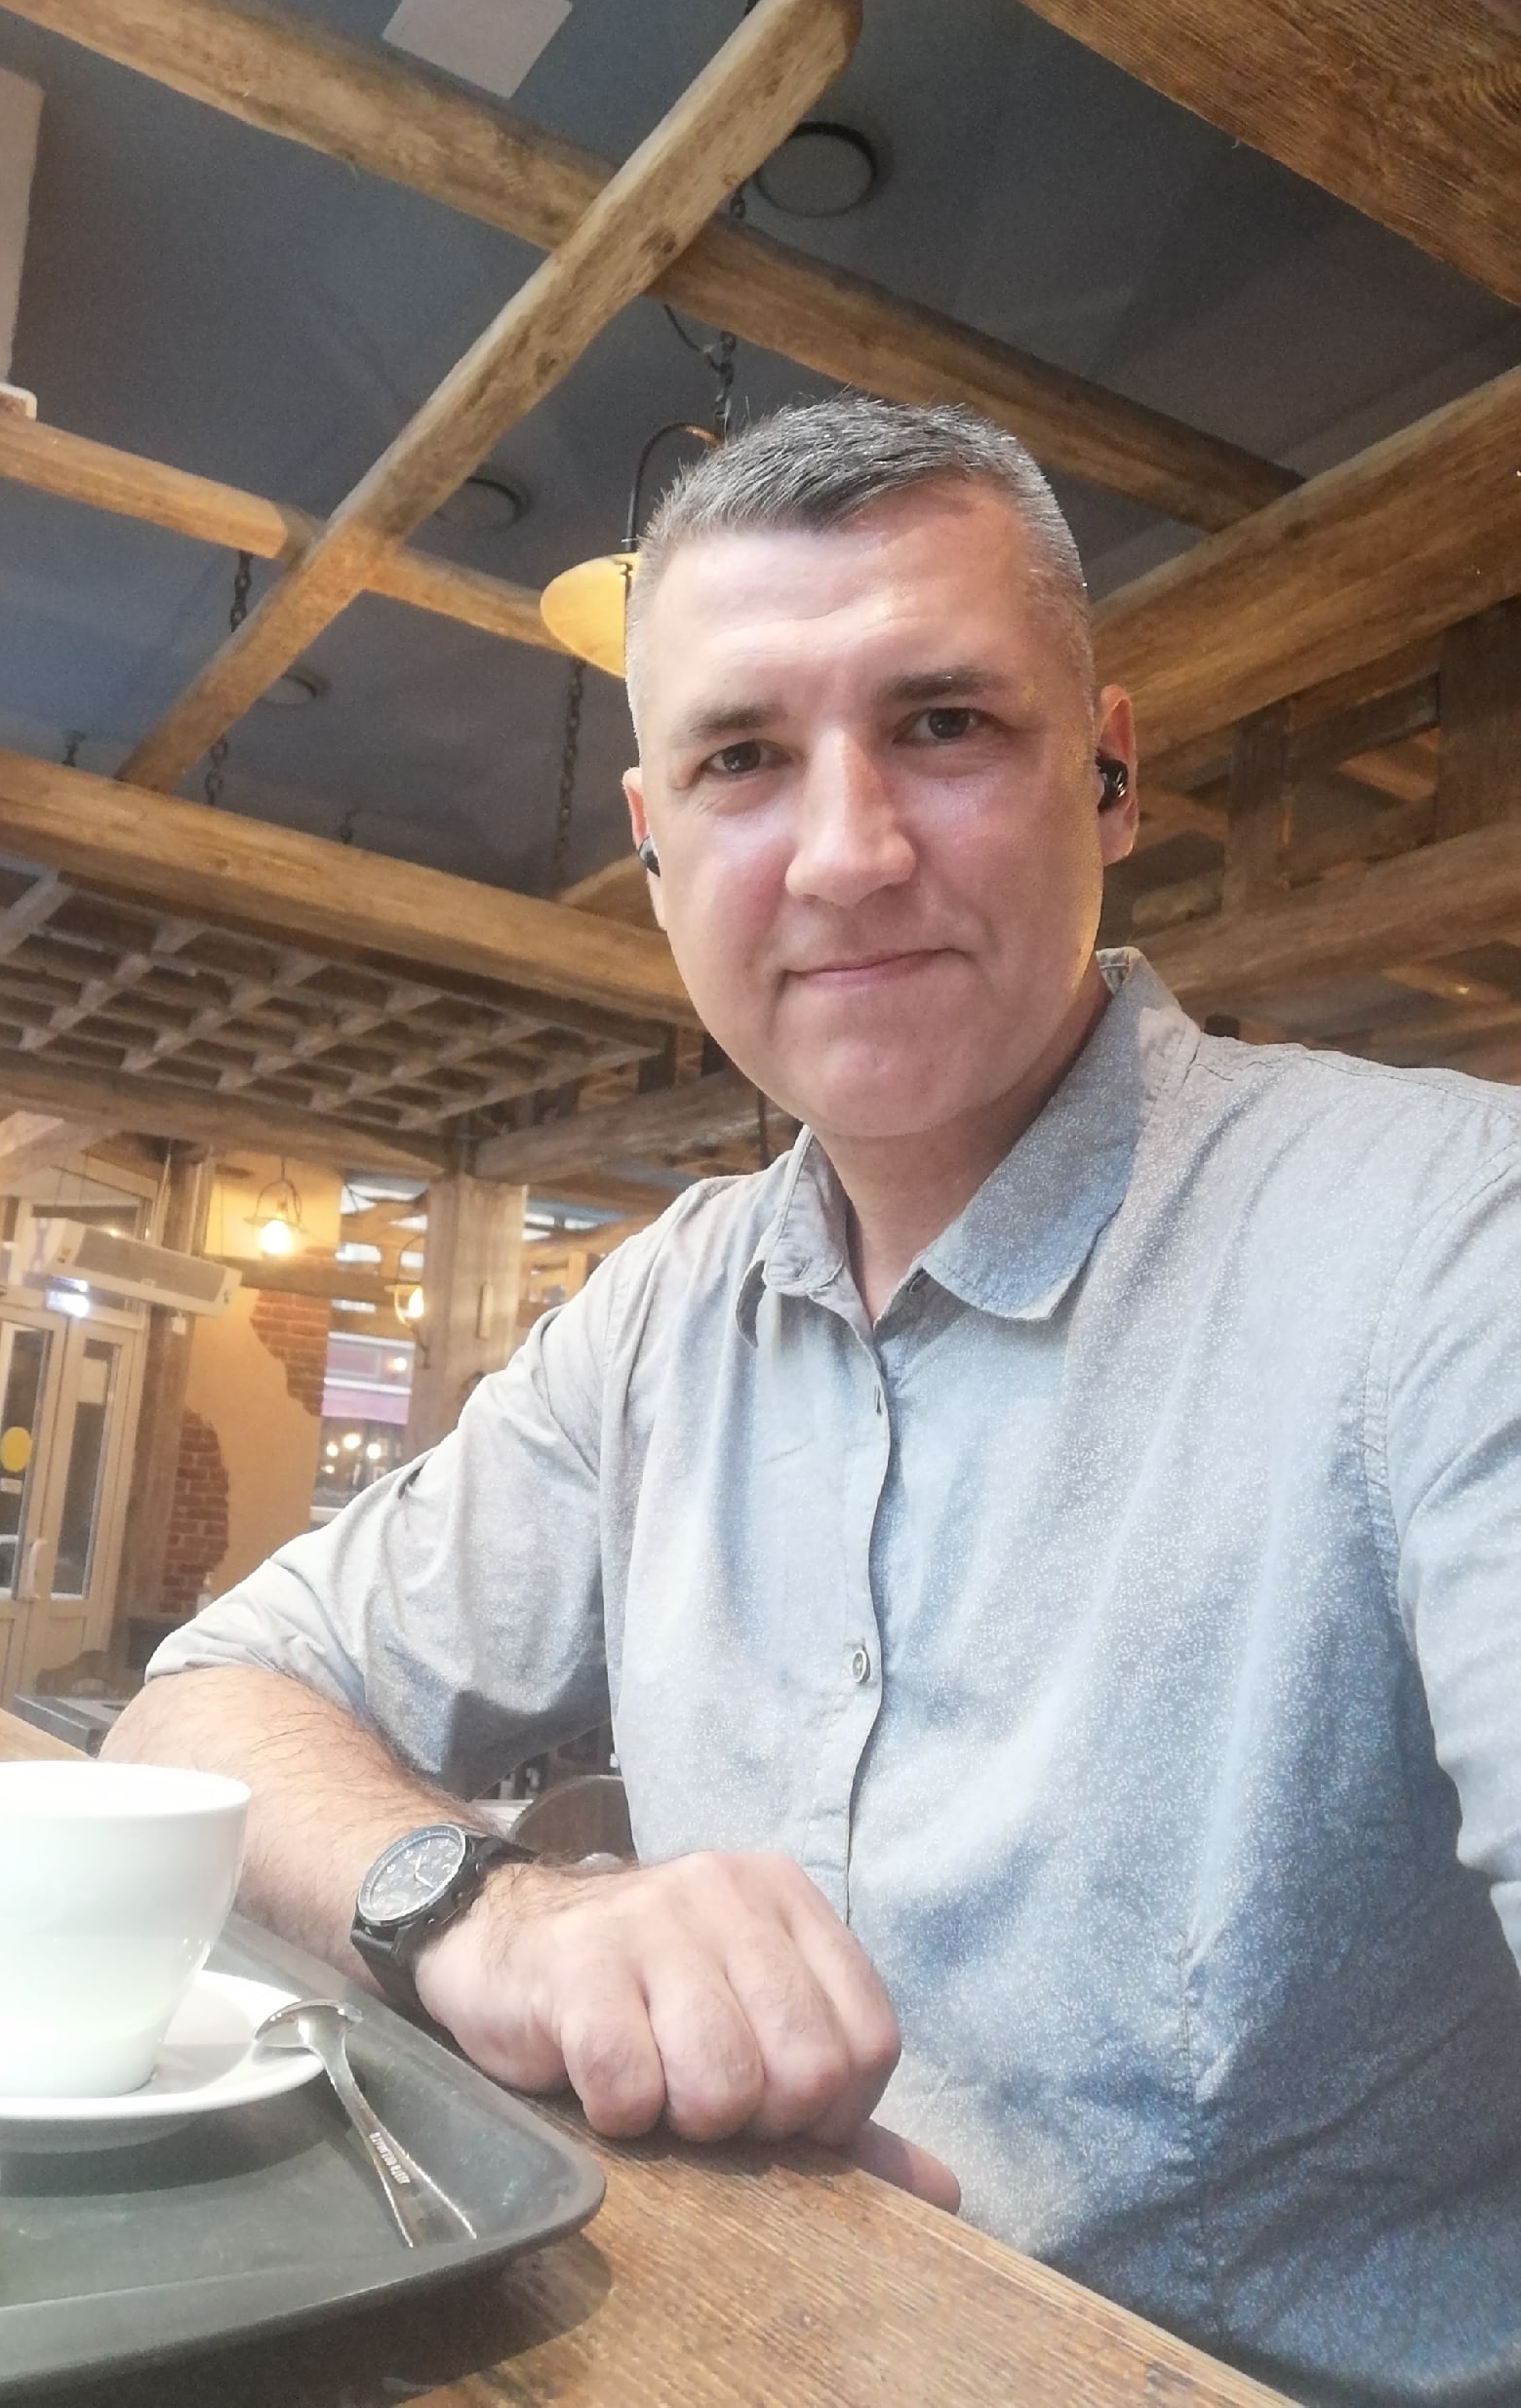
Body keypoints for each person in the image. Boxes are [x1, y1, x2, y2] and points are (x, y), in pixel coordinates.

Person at [105, 397, 1521, 2405]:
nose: (849, 853)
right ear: (654, 843)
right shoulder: (656, 1315)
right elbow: (205, 1700)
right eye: (744, 758)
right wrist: (482, 1908)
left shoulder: (1449, 1242)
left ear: (1109, 773)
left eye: (945, 722)